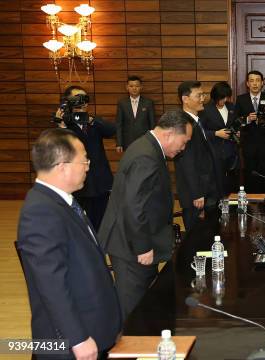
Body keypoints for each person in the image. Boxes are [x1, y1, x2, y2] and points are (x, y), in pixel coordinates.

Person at [17, 128, 122, 359]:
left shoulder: (62, 201)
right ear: (62, 166)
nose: (88, 166)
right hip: (71, 344)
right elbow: (51, 284)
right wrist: (77, 338)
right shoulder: (41, 211)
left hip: (94, 327)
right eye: (84, 160)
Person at [98, 111, 192, 320]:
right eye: (183, 142)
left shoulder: (148, 147)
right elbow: (134, 206)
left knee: (145, 304)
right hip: (132, 247)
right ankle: (128, 350)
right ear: (169, 134)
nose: (183, 148)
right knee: (132, 310)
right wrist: (143, 247)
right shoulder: (146, 156)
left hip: (138, 241)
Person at [56, 85, 115, 231]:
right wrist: (62, 127)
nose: (81, 102)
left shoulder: (92, 121)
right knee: (77, 225)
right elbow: (63, 149)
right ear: (67, 101)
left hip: (99, 181)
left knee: (100, 225)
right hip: (77, 183)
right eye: (77, 98)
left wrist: (90, 120)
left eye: (84, 98)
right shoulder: (65, 124)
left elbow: (111, 130)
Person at [174, 81, 224, 231]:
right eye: (199, 95)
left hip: (208, 187)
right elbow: (186, 161)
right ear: (185, 99)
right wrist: (197, 194)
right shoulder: (182, 124)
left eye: (203, 94)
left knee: (208, 234)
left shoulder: (198, 120)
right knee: (195, 238)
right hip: (196, 194)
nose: (203, 98)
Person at [235, 70, 265, 191]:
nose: (255, 83)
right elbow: (235, 122)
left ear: (262, 83)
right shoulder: (241, 100)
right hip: (249, 148)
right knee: (250, 179)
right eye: (251, 81)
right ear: (247, 84)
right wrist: (247, 119)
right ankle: (251, 207)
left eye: (257, 80)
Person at [200, 81, 240, 194]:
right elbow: (200, 132)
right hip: (214, 153)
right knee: (217, 186)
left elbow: (236, 125)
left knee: (232, 185)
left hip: (232, 153)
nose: (224, 100)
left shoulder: (232, 107)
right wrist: (216, 133)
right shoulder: (205, 110)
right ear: (215, 96)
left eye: (226, 97)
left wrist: (237, 133)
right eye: (222, 98)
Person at [115, 75, 156, 153]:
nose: (134, 88)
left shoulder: (148, 103)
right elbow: (119, 124)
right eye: (131, 86)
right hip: (127, 141)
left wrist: (153, 141)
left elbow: (152, 124)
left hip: (145, 141)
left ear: (141, 87)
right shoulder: (122, 103)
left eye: (137, 86)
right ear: (127, 87)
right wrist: (119, 143)